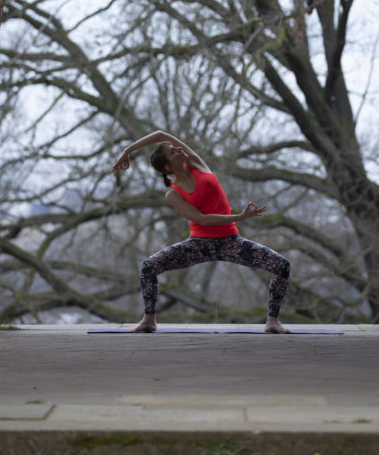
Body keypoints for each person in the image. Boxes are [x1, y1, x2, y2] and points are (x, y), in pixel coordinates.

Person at [113, 129, 291, 333]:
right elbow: (202, 219)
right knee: (148, 267)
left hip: (231, 242)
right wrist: (239, 217)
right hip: (198, 245)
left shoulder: (196, 163)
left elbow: (161, 134)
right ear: (168, 166)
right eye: (173, 151)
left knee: (282, 266)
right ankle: (148, 320)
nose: (179, 148)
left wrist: (128, 150)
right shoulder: (172, 194)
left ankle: (272, 321)